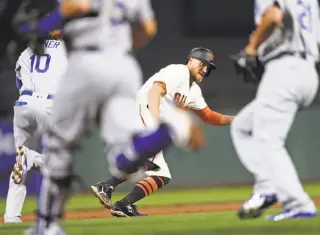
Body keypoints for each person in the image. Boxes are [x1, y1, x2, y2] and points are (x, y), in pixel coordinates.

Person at [26, 0, 205, 234]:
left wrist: (42, 29)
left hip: (86, 61)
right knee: (122, 153)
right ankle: (169, 129)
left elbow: (76, 6)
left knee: (59, 145)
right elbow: (148, 28)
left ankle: (48, 226)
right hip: (124, 65)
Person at [91, 47, 234, 217]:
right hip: (144, 114)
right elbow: (155, 90)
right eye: (202, 63)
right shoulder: (179, 71)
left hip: (148, 119)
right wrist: (155, 124)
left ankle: (107, 187)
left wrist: (237, 120)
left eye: (208, 67)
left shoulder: (193, 90)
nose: (205, 69)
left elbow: (209, 116)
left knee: (142, 162)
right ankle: (122, 203)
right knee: (161, 174)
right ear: (190, 60)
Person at [230, 0, 320, 221]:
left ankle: (298, 203)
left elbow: (273, 16)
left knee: (268, 141)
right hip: (307, 71)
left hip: (285, 68)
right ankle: (266, 186)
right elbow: (317, 42)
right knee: (243, 126)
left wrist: (252, 48)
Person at [4, 29, 67, 224]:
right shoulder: (66, 49)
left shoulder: (26, 52)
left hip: (23, 104)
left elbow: (18, 82)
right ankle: (31, 158)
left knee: (19, 163)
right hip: (48, 105)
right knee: (58, 163)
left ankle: (11, 216)